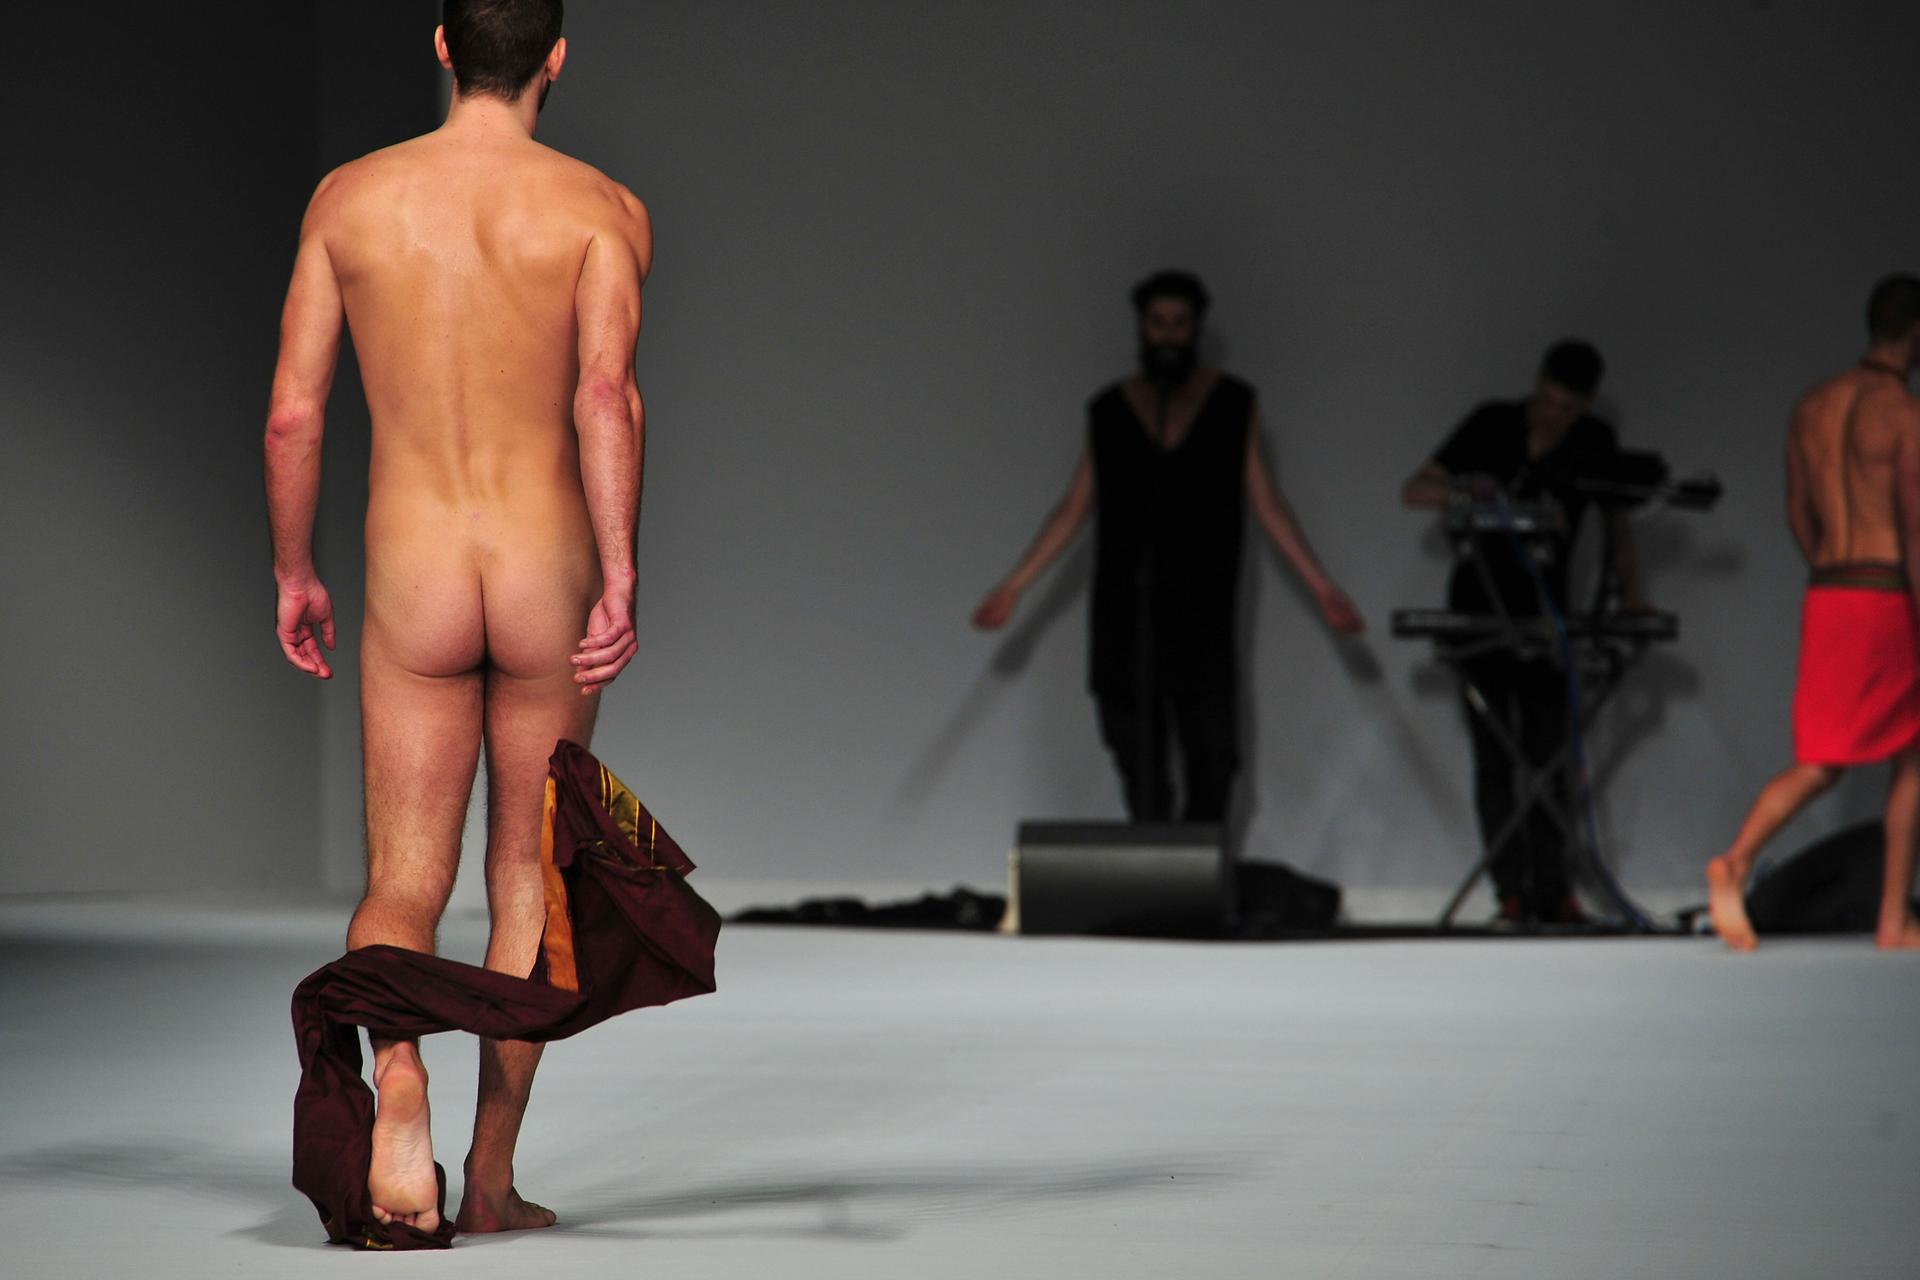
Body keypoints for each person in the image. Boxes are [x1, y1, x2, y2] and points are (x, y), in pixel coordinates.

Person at [262, 0, 651, 1235]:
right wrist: (621, 573)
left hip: (414, 568)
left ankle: (401, 1081)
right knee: (528, 875)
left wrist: (294, 569)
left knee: (404, 874)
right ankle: (488, 1177)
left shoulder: (349, 199)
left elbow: (295, 413)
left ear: (441, 46)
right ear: (556, 57)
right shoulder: (602, 208)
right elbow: (604, 394)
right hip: (544, 566)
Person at [972, 270, 1362, 823]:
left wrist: (1323, 587)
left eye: (1179, 323)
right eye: (1158, 322)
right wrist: (1014, 586)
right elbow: (1074, 507)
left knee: (1213, 756)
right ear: (1141, 328)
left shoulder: (1233, 402)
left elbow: (1268, 503)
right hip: (1127, 609)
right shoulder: (1109, 409)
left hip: (1201, 608)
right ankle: (1153, 863)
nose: (1168, 334)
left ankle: (1204, 869)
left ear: (1196, 328)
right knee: (1138, 758)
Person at [1401, 340, 1648, 927]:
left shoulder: (1594, 442)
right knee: (1495, 757)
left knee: (1550, 755)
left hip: (1546, 615)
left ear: (1586, 406)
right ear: (1536, 384)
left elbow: (1617, 521)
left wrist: (1631, 595)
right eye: (1545, 399)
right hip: (1479, 609)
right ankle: (1509, 892)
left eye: (1566, 407)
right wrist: (1472, 492)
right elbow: (1415, 490)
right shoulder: (1492, 423)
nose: (1552, 414)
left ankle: (1554, 891)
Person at [1706, 275, 1920, 952]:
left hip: (1830, 591)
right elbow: (1916, 532)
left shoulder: (1812, 405)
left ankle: (1740, 860)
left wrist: (1830, 566)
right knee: (1912, 758)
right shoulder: (1906, 416)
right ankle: (1891, 919)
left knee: (1824, 759)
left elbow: (1798, 511)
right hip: (1887, 594)